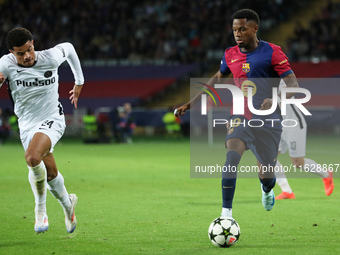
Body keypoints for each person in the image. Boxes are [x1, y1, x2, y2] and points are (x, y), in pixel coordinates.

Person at [175, 9, 300, 218]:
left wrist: (276, 99)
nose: (238, 34)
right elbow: (217, 77)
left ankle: (267, 188)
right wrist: (192, 102)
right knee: (231, 157)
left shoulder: (273, 52)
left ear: (255, 28)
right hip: (240, 115)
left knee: (267, 175)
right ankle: (226, 215)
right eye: (234, 30)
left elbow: (293, 84)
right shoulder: (230, 54)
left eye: (242, 29)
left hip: (269, 119)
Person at [0, 27, 84, 233]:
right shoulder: (5, 64)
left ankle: (40, 211)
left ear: (33, 44)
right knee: (50, 173)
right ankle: (68, 206)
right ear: (12, 53)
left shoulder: (50, 57)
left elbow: (70, 49)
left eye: (29, 49)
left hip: (52, 118)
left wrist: (79, 81)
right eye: (20, 53)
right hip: (27, 124)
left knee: (32, 157)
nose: (27, 56)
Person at [275, 81, 334, 199]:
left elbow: (291, 90)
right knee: (269, 158)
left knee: (298, 163)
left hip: (294, 124)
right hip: (277, 125)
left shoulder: (279, 78)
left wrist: (277, 100)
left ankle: (326, 175)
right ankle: (287, 191)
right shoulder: (260, 80)